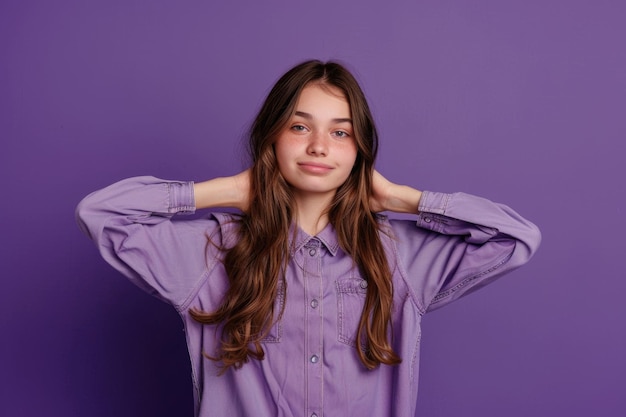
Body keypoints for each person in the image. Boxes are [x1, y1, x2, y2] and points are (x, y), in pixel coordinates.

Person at [76, 60, 541, 417]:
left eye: (341, 132)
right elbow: (99, 213)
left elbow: (515, 238)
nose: (319, 145)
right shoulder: (212, 251)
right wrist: (230, 190)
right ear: (272, 138)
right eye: (300, 127)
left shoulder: (399, 254)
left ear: (360, 151)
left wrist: (404, 198)